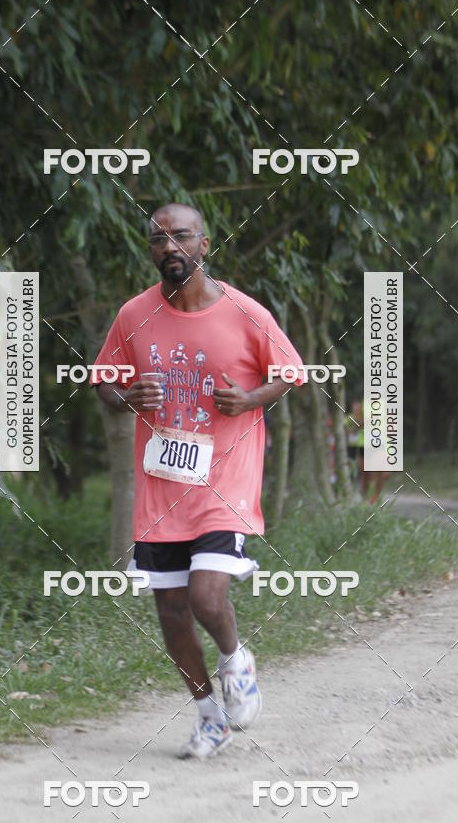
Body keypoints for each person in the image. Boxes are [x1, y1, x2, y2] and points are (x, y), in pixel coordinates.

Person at [90, 203, 304, 759]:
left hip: (224, 478)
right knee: (171, 611)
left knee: (207, 597)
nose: (169, 248)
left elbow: (288, 372)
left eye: (180, 237)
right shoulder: (132, 314)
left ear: (204, 244)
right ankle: (210, 715)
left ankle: (236, 661)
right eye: (158, 240)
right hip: (163, 486)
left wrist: (250, 399)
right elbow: (104, 384)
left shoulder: (243, 312)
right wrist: (126, 396)